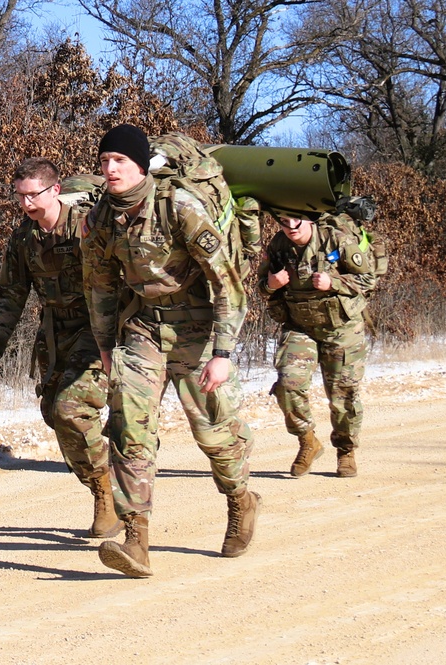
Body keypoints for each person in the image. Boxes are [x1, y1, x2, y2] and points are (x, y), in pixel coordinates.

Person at [81, 124, 259, 578]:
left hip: (198, 328)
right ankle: (136, 538)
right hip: (144, 326)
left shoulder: (178, 205)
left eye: (119, 160)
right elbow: (98, 285)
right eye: (104, 162)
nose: (110, 169)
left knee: (214, 432)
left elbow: (226, 281)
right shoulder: (103, 216)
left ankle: (240, 499)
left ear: (141, 165)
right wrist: (105, 346)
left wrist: (223, 351)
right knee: (129, 427)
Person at [0, 157, 125, 539]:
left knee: (70, 410)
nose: (26, 204)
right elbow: (10, 296)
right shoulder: (24, 239)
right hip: (56, 334)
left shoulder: (87, 228)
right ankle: (104, 473)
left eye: (32, 196)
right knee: (53, 414)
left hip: (97, 331)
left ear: (55, 190)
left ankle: (105, 495)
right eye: (20, 197)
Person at [258, 212, 376, 478]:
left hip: (341, 327)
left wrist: (333, 282)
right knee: (288, 384)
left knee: (343, 394)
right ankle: (307, 441)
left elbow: (368, 279)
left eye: (296, 221)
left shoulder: (336, 240)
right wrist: (270, 284)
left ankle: (346, 451)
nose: (290, 228)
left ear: (310, 219)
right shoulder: (278, 246)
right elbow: (261, 288)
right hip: (300, 327)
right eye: (284, 223)